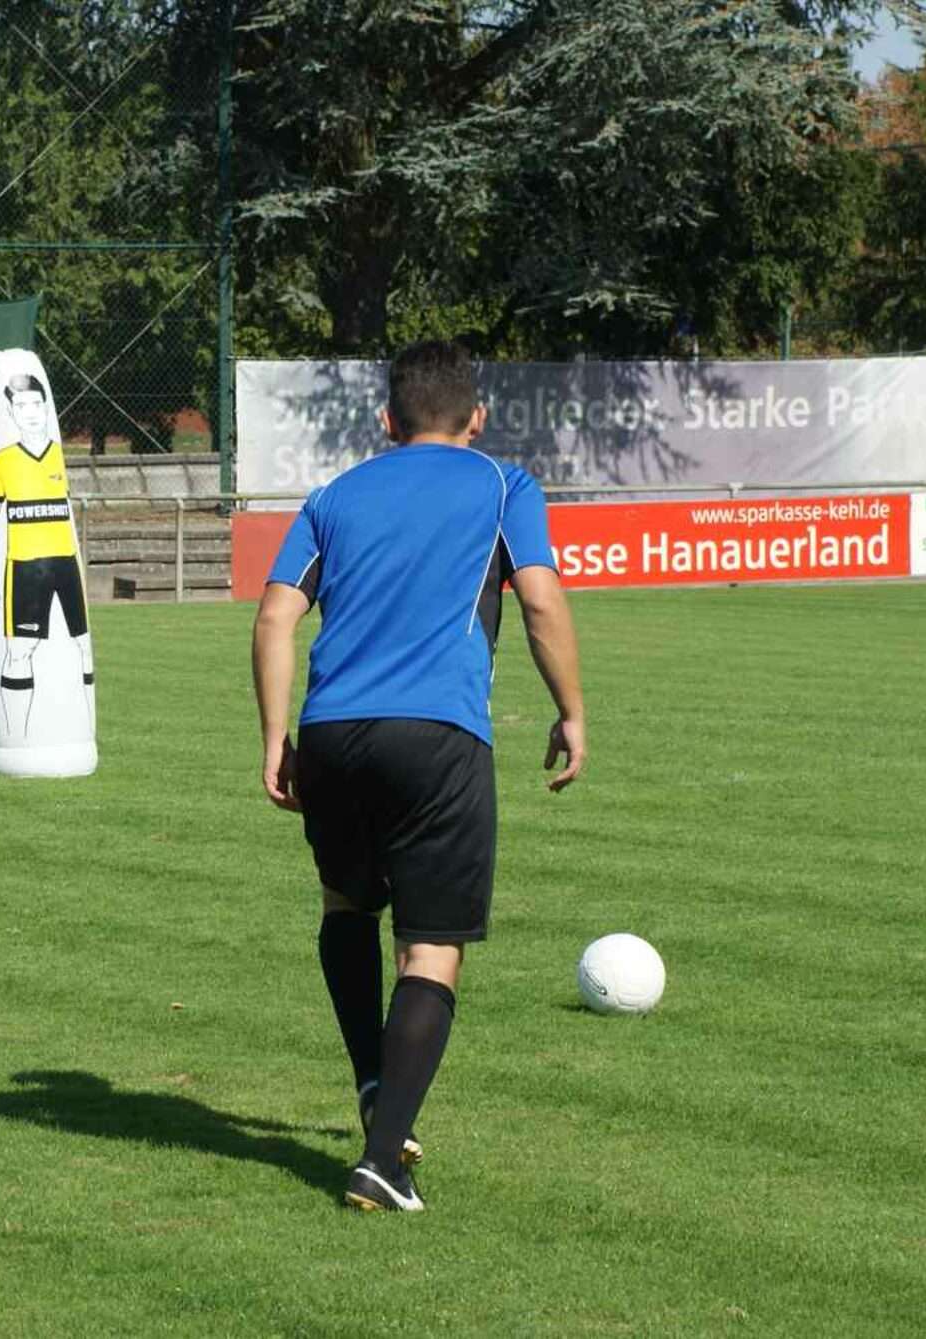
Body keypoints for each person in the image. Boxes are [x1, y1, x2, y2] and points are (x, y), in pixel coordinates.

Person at [249, 340, 586, 1212]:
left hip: (331, 734)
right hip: (437, 736)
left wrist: (274, 736)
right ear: (477, 417)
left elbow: (276, 615)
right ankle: (378, 1157)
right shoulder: (503, 485)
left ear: (386, 421)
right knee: (431, 946)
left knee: (345, 906)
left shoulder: (332, 495)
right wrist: (572, 711)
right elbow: (542, 598)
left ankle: (374, 1084)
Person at [0, 373, 94, 733]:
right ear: (11, 411)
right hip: (25, 569)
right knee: (19, 651)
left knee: (82, 647)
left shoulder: (58, 455)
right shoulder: (0, 461)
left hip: (65, 564)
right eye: (22, 405)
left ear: (46, 408)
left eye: (36, 403)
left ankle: (83, 731)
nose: (30, 411)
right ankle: (16, 737)